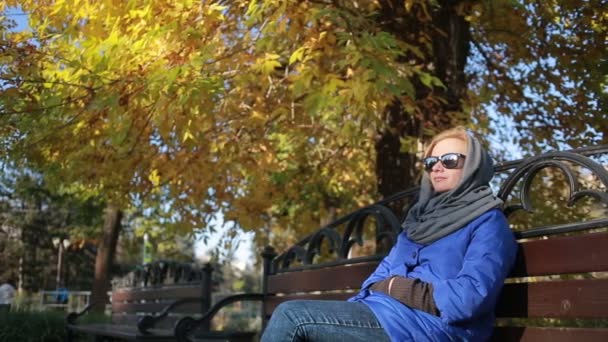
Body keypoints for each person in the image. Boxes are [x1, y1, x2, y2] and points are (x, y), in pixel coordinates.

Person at [260, 127, 518, 341]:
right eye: (431, 163)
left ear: (473, 165)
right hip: (382, 315)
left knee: (292, 317)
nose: (437, 168)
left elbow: (468, 299)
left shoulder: (488, 224)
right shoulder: (419, 222)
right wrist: (395, 288)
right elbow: (375, 281)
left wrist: (398, 287)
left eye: (449, 160)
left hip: (430, 330)